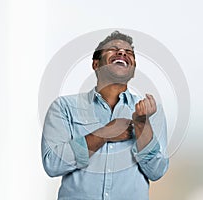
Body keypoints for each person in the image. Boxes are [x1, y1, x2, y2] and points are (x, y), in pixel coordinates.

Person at [41, 30, 169, 200]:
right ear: (96, 64)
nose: (122, 52)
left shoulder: (150, 111)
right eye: (113, 49)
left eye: (128, 52)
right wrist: (103, 134)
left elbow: (156, 171)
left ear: (133, 69)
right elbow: (52, 164)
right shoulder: (64, 107)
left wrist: (140, 125)